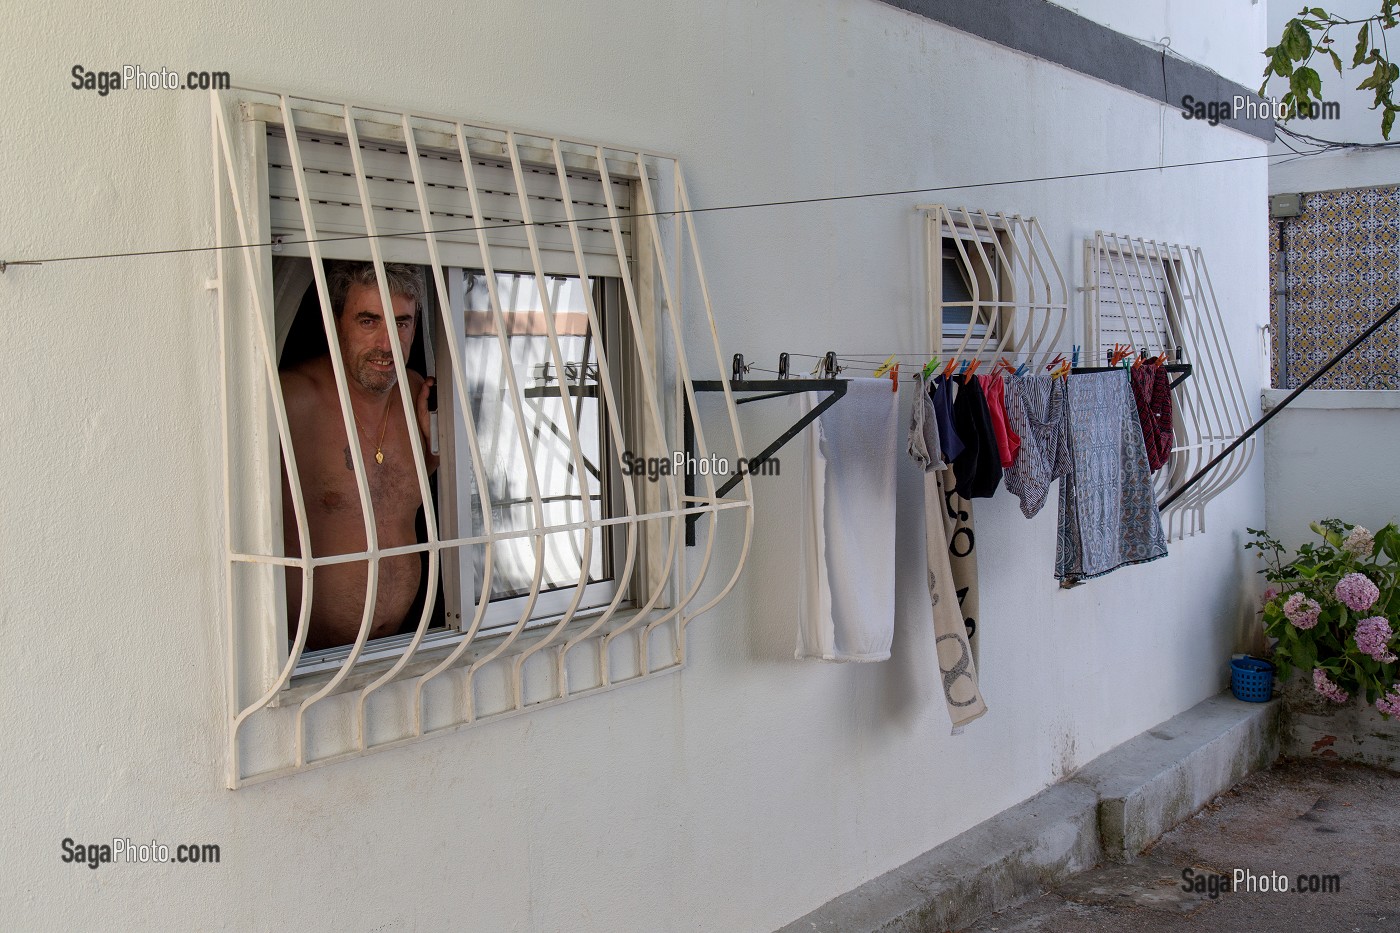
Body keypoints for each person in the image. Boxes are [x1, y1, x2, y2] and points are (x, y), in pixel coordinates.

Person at [280, 261, 438, 652]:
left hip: (401, 651)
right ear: (336, 323)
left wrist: (433, 454)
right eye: (369, 321)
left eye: (401, 322)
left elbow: (405, 499)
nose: (387, 344)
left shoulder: (419, 394)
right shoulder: (291, 401)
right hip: (309, 663)